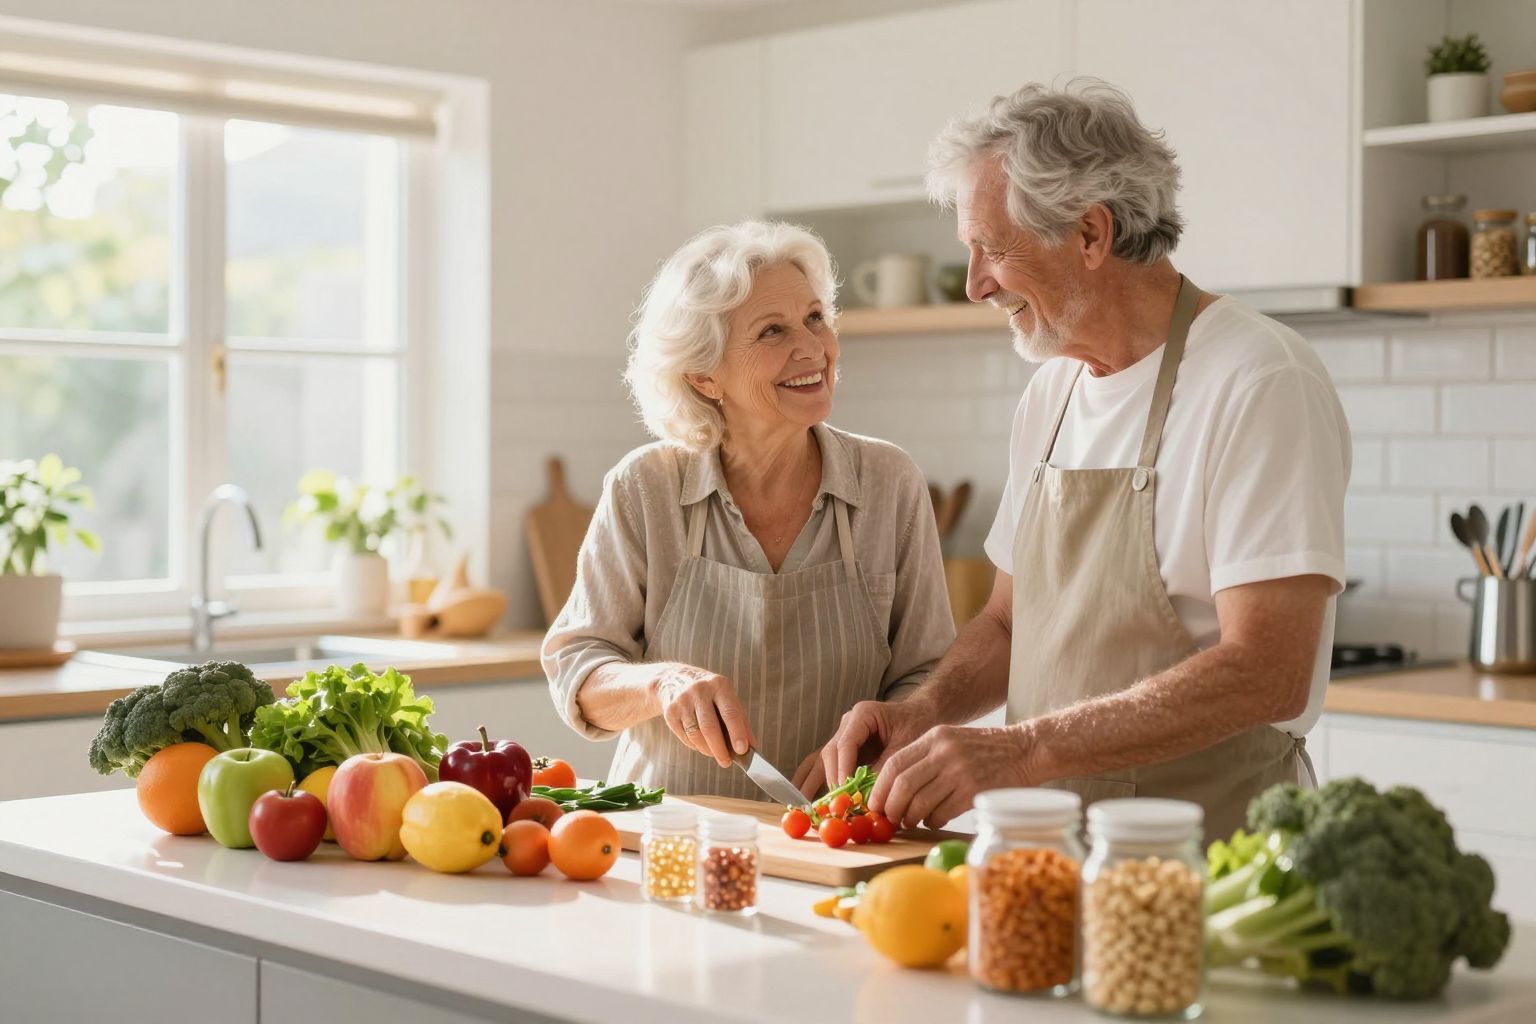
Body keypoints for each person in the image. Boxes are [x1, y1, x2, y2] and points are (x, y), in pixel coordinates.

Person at [819, 80, 1350, 841]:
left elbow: (1269, 671)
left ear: (1092, 234)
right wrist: (925, 711)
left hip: (1205, 851)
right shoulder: (1054, 390)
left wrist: (1022, 749)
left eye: (993, 248)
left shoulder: (1260, 379)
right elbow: (1010, 621)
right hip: (1051, 849)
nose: (974, 284)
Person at [543, 220, 955, 798]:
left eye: (815, 318)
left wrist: (880, 742)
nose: (812, 348)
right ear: (704, 376)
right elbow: (579, 670)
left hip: (830, 828)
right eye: (772, 331)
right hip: (669, 831)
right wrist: (662, 683)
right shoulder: (645, 488)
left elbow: (928, 676)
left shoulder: (889, 482)